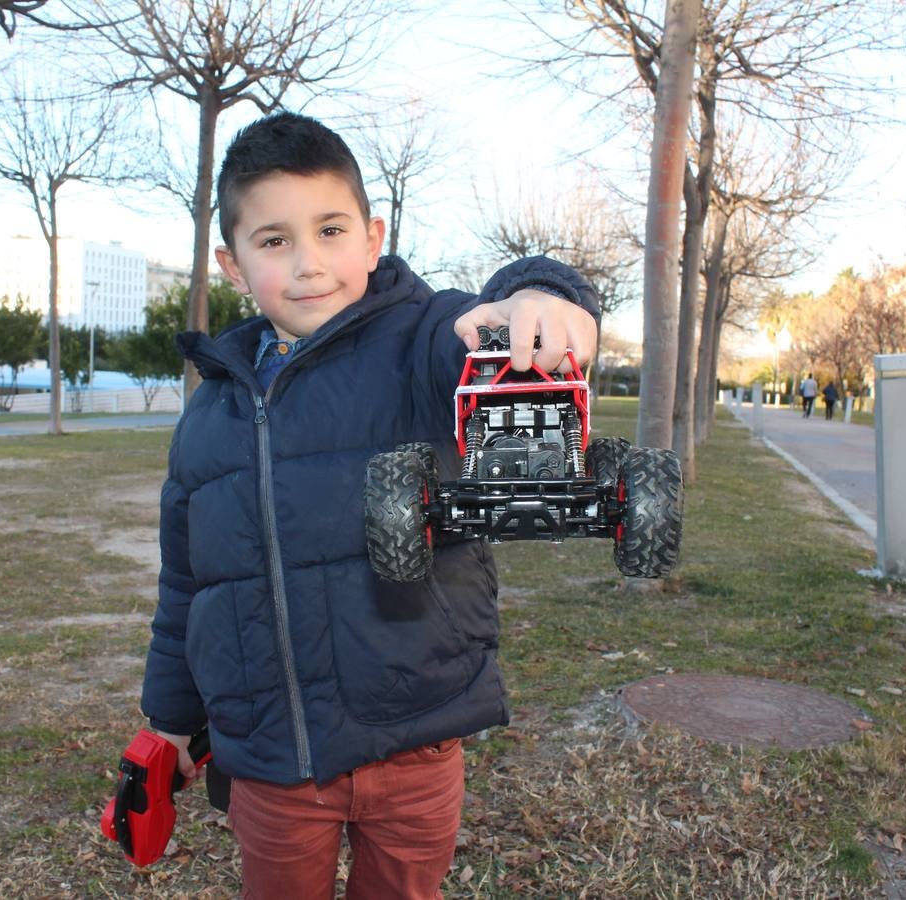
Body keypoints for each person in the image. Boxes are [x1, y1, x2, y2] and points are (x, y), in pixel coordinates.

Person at [141, 112, 599, 898]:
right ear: (232, 261)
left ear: (372, 235)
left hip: (414, 746)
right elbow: (189, 585)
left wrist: (544, 297)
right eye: (275, 240)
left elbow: (487, 322)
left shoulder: (421, 340)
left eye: (330, 230)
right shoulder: (209, 415)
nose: (311, 264)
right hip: (275, 763)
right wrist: (167, 718)